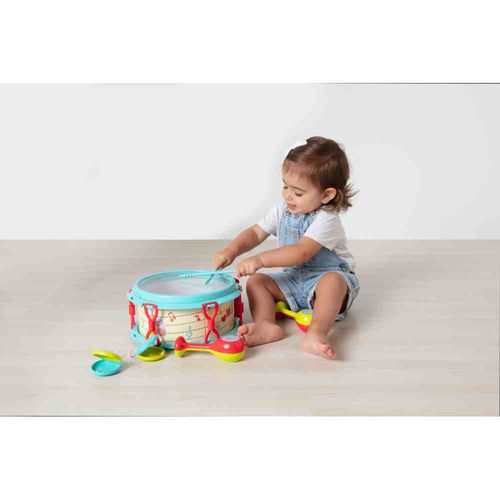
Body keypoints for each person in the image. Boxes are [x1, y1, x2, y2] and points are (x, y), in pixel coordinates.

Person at [212, 136, 359, 360]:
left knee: (333, 282)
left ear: (326, 195)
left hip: (323, 282)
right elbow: (256, 232)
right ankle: (265, 324)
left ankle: (316, 334)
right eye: (285, 186)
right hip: (293, 280)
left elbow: (301, 252)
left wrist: (260, 260)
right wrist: (231, 251)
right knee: (257, 282)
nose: (288, 195)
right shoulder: (283, 209)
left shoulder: (327, 218)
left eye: (298, 193)